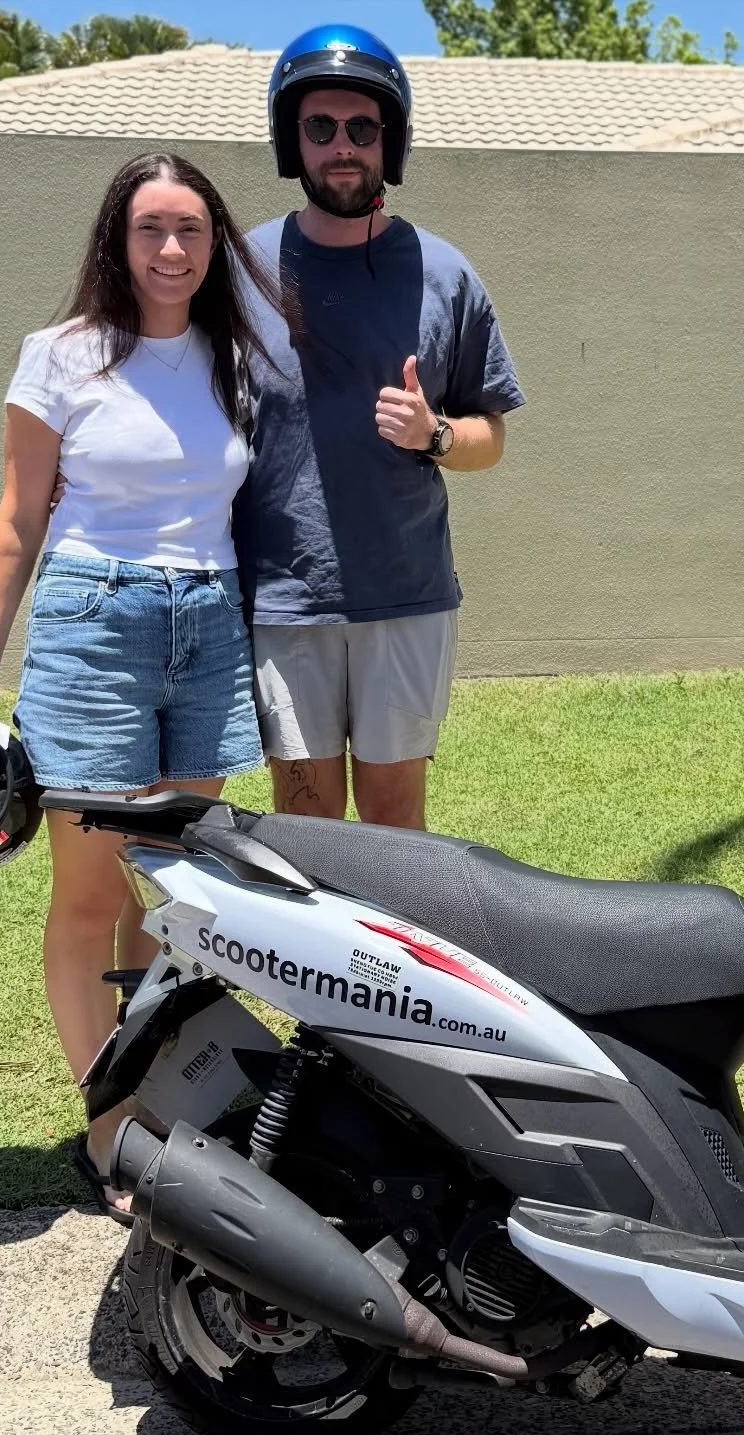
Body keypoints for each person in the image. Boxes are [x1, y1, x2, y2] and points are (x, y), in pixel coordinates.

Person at [0, 152, 278, 1220]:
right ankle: (110, 1129)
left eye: (191, 229)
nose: (172, 249)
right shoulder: (62, 355)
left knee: (169, 891)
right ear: (117, 238)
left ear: (214, 243)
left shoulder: (234, 356)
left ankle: (157, 1099)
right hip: (95, 624)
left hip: (208, 627)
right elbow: (19, 518)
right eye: (151, 228)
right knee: (93, 894)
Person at [238, 23, 526, 831]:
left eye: (362, 129)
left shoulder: (445, 274)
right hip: (285, 598)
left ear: (389, 142)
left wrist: (434, 434)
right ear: (291, 139)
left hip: (404, 593)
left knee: (396, 825)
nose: (342, 146)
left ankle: (393, 931)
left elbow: (491, 436)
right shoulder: (241, 268)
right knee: (306, 827)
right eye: (320, 126)